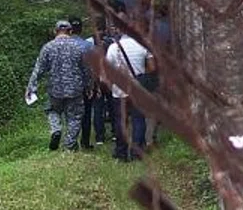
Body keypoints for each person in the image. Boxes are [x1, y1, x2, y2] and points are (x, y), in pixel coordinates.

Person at [26, 19, 90, 150]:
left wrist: (31, 87)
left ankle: (56, 129)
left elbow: (39, 69)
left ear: (55, 31)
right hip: (75, 89)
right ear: (71, 31)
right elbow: (86, 70)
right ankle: (69, 145)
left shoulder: (48, 47)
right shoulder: (79, 47)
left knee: (52, 110)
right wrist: (90, 86)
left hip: (55, 89)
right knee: (74, 117)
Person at [105, 30, 152, 160]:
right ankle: (137, 152)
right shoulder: (142, 45)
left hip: (119, 89)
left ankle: (121, 152)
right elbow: (152, 67)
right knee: (138, 119)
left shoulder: (113, 47)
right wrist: (141, 72)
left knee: (121, 120)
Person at [78, 24, 110, 151]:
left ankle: (105, 134)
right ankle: (100, 135)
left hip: (103, 78)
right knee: (98, 107)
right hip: (97, 79)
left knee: (106, 107)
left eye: (101, 29)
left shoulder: (89, 44)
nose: (99, 32)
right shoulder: (89, 45)